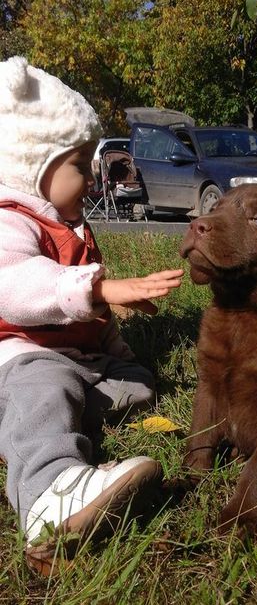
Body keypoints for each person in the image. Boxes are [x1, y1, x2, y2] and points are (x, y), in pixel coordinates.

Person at [0, 56, 183, 575]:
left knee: (139, 384)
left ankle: (31, 423)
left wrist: (113, 341)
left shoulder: (69, 225)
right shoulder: (9, 220)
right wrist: (100, 288)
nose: (91, 177)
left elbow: (85, 314)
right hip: (18, 359)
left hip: (73, 356)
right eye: (80, 164)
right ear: (33, 163)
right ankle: (49, 497)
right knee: (44, 388)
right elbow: (15, 287)